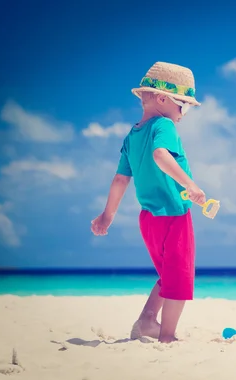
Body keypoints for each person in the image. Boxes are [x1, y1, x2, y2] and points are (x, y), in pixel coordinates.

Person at [90, 61, 206, 343]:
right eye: (184, 106)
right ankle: (167, 337)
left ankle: (146, 321)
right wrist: (190, 185)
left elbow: (120, 179)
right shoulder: (163, 125)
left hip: (148, 219)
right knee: (180, 278)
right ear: (164, 100)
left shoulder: (132, 135)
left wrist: (108, 215)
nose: (184, 114)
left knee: (168, 273)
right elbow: (160, 156)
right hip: (173, 213)